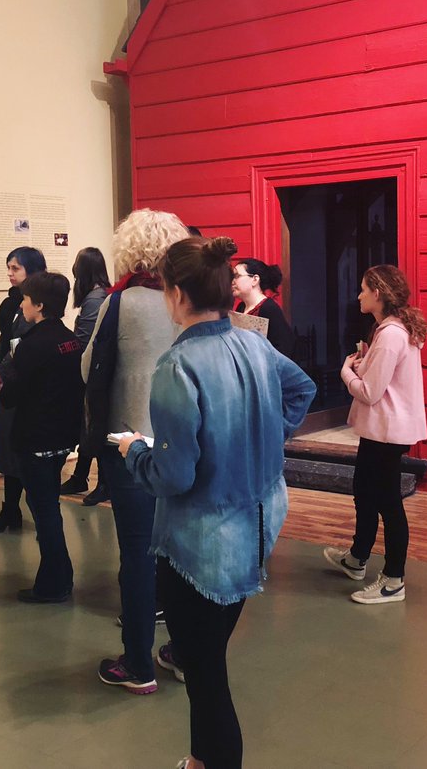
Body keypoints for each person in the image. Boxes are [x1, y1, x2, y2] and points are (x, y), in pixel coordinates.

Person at [117, 236, 315, 768]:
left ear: (177, 294)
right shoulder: (254, 343)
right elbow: (303, 390)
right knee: (208, 663)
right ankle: (201, 759)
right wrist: (262, 436)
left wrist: (135, 451)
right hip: (257, 527)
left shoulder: (177, 365)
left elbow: (174, 476)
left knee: (206, 677)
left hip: (202, 545)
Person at [86, 209, 187, 693]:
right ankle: (184, 653)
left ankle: (137, 664)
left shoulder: (119, 301)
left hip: (130, 443)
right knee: (180, 555)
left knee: (138, 554)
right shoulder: (186, 301)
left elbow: (88, 367)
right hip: (182, 442)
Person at [323, 265, 427, 605]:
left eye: (364, 289)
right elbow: (385, 380)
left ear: (378, 293)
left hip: (386, 431)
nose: (359, 296)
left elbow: (370, 392)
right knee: (365, 492)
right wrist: (364, 363)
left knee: (387, 502)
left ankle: (394, 580)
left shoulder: (391, 335)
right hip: (382, 429)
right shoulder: (392, 331)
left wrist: (345, 371)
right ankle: (357, 558)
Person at [0, 271, 82, 602]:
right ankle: (61, 577)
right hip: (63, 437)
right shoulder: (70, 339)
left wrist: (3, 384)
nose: (22, 304)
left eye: (26, 299)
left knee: (45, 512)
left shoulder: (32, 345)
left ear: (40, 305)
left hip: (36, 439)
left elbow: (12, 397)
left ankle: (54, 584)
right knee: (48, 508)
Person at [0, 246, 46, 535]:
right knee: (9, 451)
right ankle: (10, 509)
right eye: (8, 267)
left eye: (15, 268)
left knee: (26, 453)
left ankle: (38, 515)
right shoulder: (10, 304)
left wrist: (5, 371)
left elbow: (30, 348)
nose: (10, 273)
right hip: (10, 385)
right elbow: (5, 342)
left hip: (29, 388)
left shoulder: (41, 304)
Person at [61, 247, 111, 497]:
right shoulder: (101, 295)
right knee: (90, 425)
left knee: (93, 425)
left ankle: (101, 483)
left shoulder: (94, 299)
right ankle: (83, 476)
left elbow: (86, 340)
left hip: (92, 372)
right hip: (95, 370)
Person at [231, 257, 295, 357]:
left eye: (237, 276)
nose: (232, 281)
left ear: (255, 279)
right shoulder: (241, 307)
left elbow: (285, 348)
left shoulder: (269, 308)